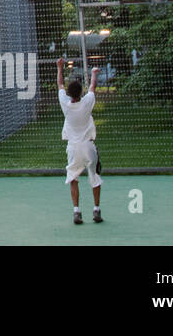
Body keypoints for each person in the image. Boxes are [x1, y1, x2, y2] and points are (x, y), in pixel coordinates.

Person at [56, 57, 101, 224]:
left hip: (73, 148)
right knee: (95, 177)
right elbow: (93, 87)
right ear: (81, 92)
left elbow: (60, 85)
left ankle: (76, 211)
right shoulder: (87, 102)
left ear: (69, 94)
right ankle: (96, 210)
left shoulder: (65, 104)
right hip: (88, 146)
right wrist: (94, 73)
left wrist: (59, 68)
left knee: (73, 178)